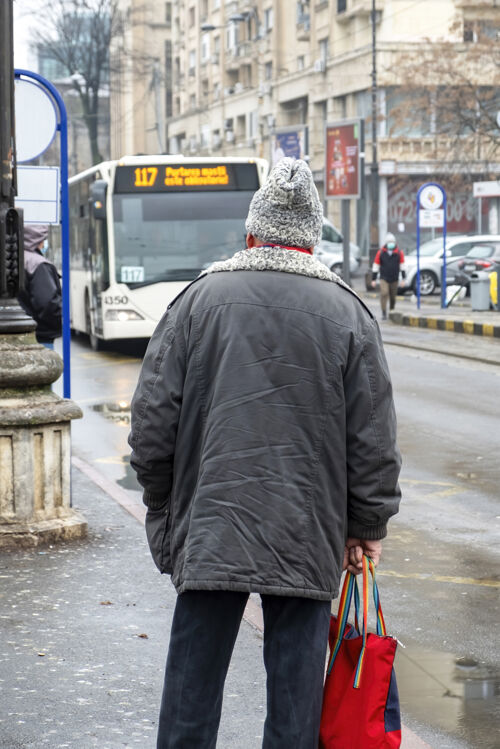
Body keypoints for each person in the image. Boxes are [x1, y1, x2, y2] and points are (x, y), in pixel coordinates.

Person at [129, 158, 401, 749]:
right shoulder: (350, 314)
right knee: (294, 711)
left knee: (190, 699)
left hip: (213, 525)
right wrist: (366, 525)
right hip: (308, 534)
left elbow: (152, 423)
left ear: (252, 234)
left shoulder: (198, 301)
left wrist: (165, 507)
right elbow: (373, 442)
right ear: (311, 243)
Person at [17, 224, 62, 349]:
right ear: (38, 240)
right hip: (39, 336)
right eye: (43, 240)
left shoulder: (15, 259)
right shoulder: (38, 264)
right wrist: (59, 321)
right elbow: (47, 303)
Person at [371, 232, 406, 320]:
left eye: (392, 242)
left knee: (393, 297)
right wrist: (373, 279)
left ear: (395, 243)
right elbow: (376, 265)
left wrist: (403, 279)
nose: (391, 244)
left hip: (394, 278)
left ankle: (391, 311)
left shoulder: (399, 252)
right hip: (384, 278)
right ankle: (383, 312)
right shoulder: (381, 252)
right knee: (384, 293)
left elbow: (402, 266)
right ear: (386, 243)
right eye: (389, 242)